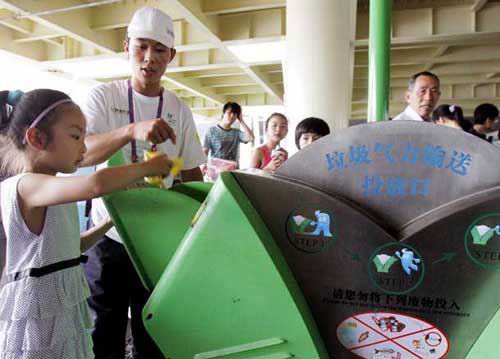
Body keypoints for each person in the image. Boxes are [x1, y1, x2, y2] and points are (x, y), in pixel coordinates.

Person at [0, 89, 172, 358]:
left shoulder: (57, 189)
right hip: (38, 308)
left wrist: (109, 222)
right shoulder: (25, 186)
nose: (83, 147)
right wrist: (147, 167)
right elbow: (95, 184)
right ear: (36, 138)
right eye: (75, 136)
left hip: (63, 304)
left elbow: (72, 246)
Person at [79, 7, 205, 358]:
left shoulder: (178, 109)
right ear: (126, 46)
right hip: (109, 235)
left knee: (155, 330)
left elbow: (192, 175)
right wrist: (131, 131)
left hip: (159, 239)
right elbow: (82, 154)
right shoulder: (103, 98)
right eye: (141, 47)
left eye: (159, 49)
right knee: (104, 331)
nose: (149, 58)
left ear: (172, 56)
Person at [203, 102, 254, 181]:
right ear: (223, 113)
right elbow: (205, 151)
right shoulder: (211, 131)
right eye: (229, 113)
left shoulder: (236, 132)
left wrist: (241, 120)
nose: (232, 116)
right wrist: (204, 165)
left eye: (235, 114)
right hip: (216, 173)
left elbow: (250, 137)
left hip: (233, 172)